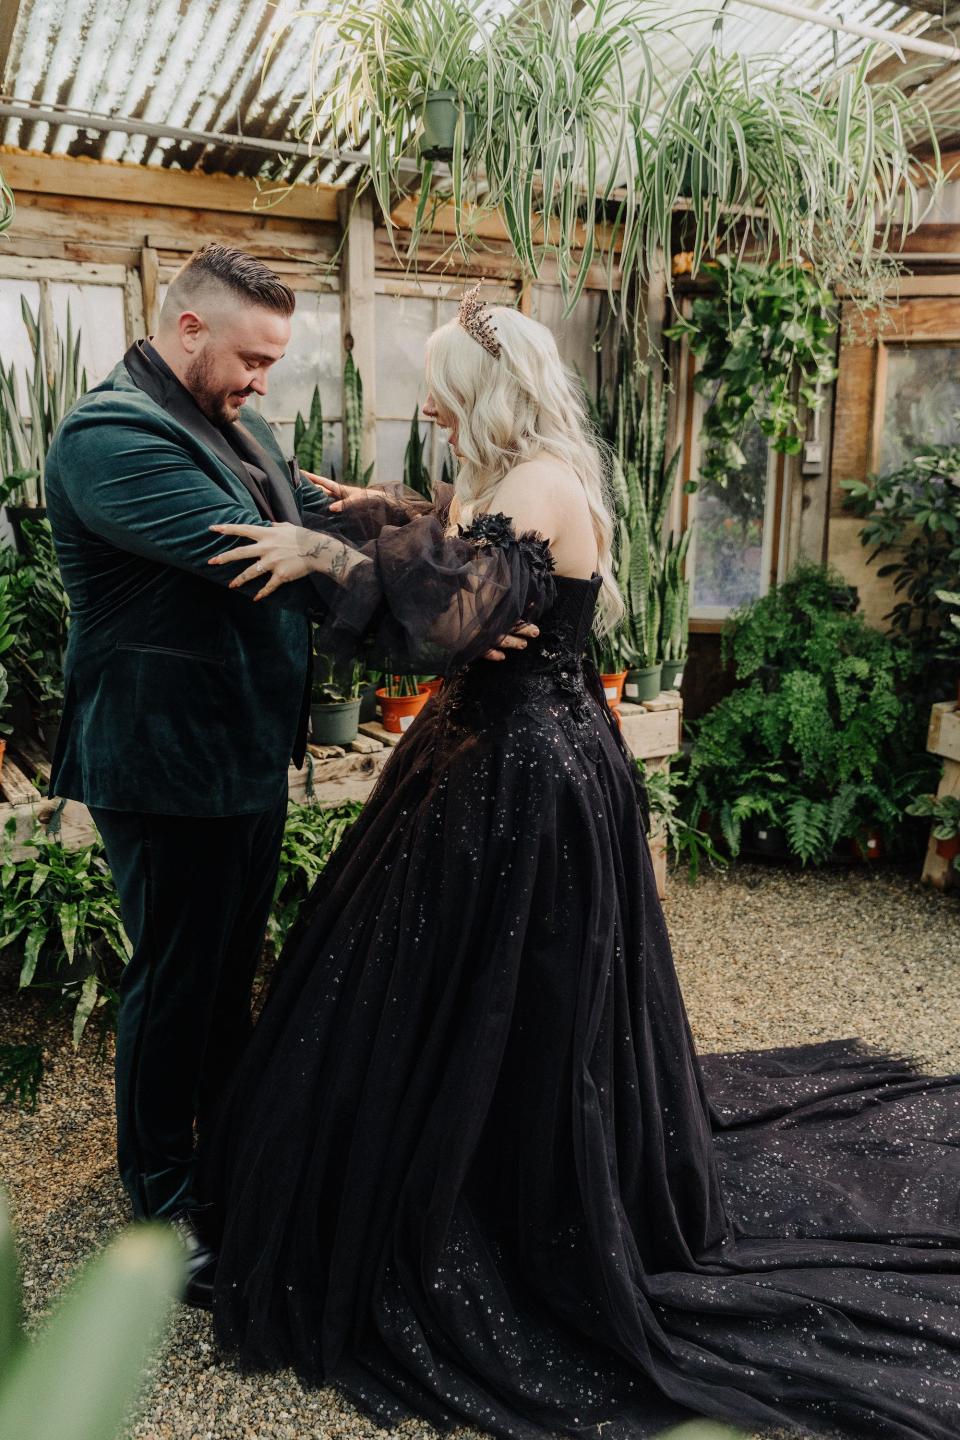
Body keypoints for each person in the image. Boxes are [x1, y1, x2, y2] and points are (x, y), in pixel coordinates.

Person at [200, 288, 960, 1440]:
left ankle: (509, 1193)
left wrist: (322, 550)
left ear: (488, 392)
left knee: (524, 988)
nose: (436, 416)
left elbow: (450, 625)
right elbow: (460, 563)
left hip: (532, 774)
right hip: (478, 753)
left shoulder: (546, 481)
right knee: (448, 988)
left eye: (447, 397)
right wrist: (387, 514)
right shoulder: (499, 477)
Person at [43, 247, 533, 1305]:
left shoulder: (241, 421)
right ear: (186, 330)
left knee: (225, 972)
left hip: (246, 747)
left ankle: (227, 1161)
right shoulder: (110, 438)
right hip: (167, 756)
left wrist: (397, 527)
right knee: (175, 981)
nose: (266, 380)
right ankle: (163, 1208)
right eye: (252, 356)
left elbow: (311, 519)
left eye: (274, 359)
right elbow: (258, 553)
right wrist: (439, 620)